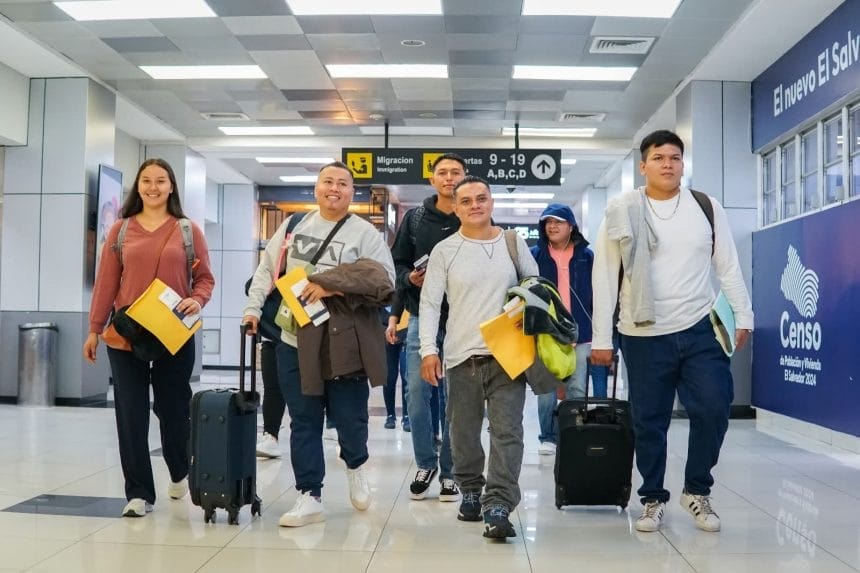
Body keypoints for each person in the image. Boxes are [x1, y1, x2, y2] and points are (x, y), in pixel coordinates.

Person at [591, 129, 753, 533]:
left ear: (683, 164)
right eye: (659, 158)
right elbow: (604, 276)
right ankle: (652, 498)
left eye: (675, 158)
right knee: (650, 421)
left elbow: (727, 264)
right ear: (643, 166)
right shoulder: (621, 210)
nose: (668, 164)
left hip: (701, 327)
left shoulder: (705, 206)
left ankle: (697, 490)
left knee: (714, 407)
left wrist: (744, 314)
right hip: (642, 333)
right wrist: (601, 339)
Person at [243, 161, 395, 528]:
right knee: (304, 420)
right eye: (328, 181)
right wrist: (252, 309)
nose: (334, 188)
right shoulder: (294, 226)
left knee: (350, 418)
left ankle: (356, 465)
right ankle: (309, 494)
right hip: (295, 339)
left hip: (345, 343)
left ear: (351, 193)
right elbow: (267, 271)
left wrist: (332, 284)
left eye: (343, 183)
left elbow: (385, 281)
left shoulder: (365, 234)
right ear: (316, 188)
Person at [83, 158, 215, 518]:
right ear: (138, 187)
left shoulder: (188, 230)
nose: (153, 187)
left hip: (173, 333)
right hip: (126, 334)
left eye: (160, 180)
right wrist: (94, 329)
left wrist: (197, 299)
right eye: (146, 181)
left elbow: (205, 278)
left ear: (171, 187)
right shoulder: (121, 230)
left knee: (173, 409)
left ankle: (178, 469)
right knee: (131, 414)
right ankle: (139, 493)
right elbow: (106, 283)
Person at [420, 176, 538, 539]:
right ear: (455, 208)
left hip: (508, 355)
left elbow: (535, 288)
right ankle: (470, 488)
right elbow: (429, 303)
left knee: (508, 432)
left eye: (481, 198)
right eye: (467, 201)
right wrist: (428, 350)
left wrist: (522, 304)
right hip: (461, 355)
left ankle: (499, 503)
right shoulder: (445, 250)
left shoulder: (512, 243)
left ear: (491, 203)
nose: (475, 205)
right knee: (463, 432)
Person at [390, 153, 466, 502]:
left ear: (465, 177)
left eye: (455, 172)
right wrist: (410, 278)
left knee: (454, 399)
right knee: (417, 395)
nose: (449, 178)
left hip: (462, 320)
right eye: (443, 173)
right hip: (421, 316)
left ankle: (450, 472)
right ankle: (425, 462)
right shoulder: (415, 219)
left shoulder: (473, 216)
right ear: (432, 180)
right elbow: (397, 264)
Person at [529, 203, 595, 455]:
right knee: (546, 390)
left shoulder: (586, 256)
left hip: (581, 332)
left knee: (576, 389)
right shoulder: (535, 255)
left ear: (571, 226)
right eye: (548, 222)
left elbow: (597, 293)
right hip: (546, 334)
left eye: (558, 221)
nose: (552, 226)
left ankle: (572, 434)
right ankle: (547, 436)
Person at [383, 293, 409, 430]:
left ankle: (407, 415)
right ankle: (390, 415)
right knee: (389, 376)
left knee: (406, 374)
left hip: (406, 329)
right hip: (386, 329)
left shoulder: (405, 280)